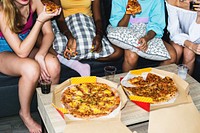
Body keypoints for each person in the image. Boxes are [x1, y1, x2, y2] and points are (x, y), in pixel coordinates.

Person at [0, 0, 61, 132]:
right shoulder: (2, 8)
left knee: (53, 64)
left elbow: (49, 33)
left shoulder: (36, 1)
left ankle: (49, 110)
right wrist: (39, 21)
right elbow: (22, 52)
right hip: (3, 50)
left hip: (26, 43)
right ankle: (25, 114)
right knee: (31, 68)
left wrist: (41, 54)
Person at [51, 0, 123, 76]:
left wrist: (98, 36)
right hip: (65, 24)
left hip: (85, 21)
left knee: (117, 52)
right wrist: (70, 37)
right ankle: (80, 59)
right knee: (51, 46)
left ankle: (80, 57)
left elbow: (98, 19)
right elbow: (60, 19)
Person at [109, 0, 176, 72]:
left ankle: (149, 80)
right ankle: (126, 82)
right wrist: (129, 11)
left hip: (147, 31)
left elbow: (156, 25)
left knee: (172, 56)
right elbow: (119, 26)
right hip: (127, 31)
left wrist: (146, 38)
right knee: (132, 57)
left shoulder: (157, 1)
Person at [166, 0, 200, 75]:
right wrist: (190, 45)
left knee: (189, 52)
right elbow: (174, 31)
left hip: (196, 36)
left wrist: (199, 18)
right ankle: (169, 81)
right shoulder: (172, 1)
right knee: (176, 49)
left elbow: (194, 37)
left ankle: (185, 83)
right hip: (178, 35)